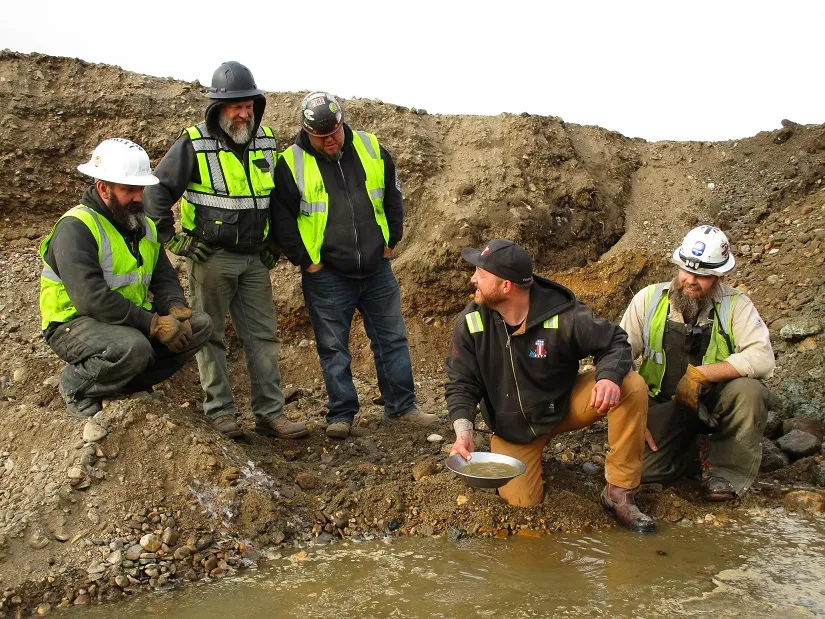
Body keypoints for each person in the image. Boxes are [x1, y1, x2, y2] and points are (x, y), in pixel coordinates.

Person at [144, 61, 308, 440]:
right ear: (218, 107)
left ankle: (270, 414)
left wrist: (275, 244)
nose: (243, 112)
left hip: (255, 259)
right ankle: (220, 413)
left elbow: (282, 199)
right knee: (211, 335)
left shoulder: (266, 140)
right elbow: (155, 191)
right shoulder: (194, 142)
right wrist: (172, 238)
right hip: (212, 258)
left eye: (248, 104)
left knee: (263, 336)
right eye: (235, 106)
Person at [445, 239, 655, 533]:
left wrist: (608, 377)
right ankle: (530, 464)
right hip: (513, 430)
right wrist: (464, 432)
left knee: (630, 384)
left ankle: (619, 491)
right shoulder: (471, 323)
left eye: (481, 272)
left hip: (564, 406)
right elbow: (461, 383)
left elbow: (615, 341)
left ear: (506, 286)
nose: (473, 278)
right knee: (523, 505)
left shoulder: (563, 314)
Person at [272, 91, 437, 439]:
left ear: (342, 122)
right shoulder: (291, 163)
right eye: (321, 136)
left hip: (376, 268)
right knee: (334, 347)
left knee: (391, 339)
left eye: (335, 131)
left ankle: (402, 408)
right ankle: (342, 413)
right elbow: (282, 219)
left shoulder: (371, 147)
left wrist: (391, 241)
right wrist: (306, 261)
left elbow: (392, 194)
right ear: (307, 131)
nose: (330, 140)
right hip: (327, 273)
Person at [40, 138, 212, 417]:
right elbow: (91, 299)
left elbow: (163, 276)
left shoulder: (141, 226)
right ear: (103, 188)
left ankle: (128, 384)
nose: (137, 197)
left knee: (199, 325)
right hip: (72, 324)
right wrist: (153, 323)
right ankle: (77, 385)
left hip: (124, 321)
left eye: (140, 189)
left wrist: (174, 307)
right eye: (128, 190)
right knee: (133, 347)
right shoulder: (77, 228)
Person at [619, 225, 775, 501]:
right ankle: (695, 453)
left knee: (751, 392)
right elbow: (618, 356)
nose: (690, 280)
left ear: (719, 275)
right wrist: (634, 417)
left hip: (714, 405)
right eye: (686, 270)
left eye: (702, 275)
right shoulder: (649, 300)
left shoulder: (735, 305)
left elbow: (762, 357)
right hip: (663, 404)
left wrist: (702, 374)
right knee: (640, 471)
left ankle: (726, 473)